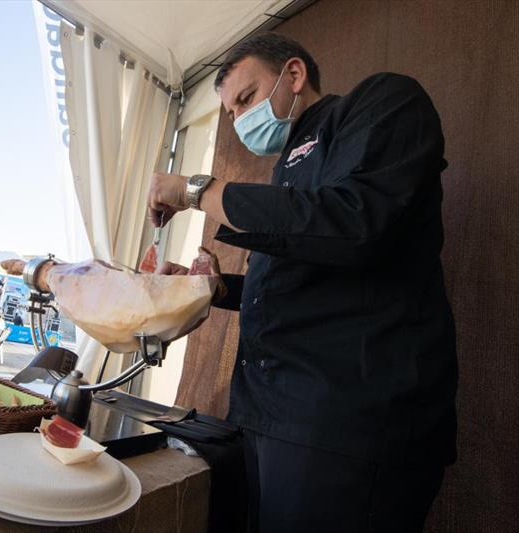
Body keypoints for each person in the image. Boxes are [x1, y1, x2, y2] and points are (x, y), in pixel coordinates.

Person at [146, 32, 457, 532]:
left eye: (246, 99)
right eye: (230, 113)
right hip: (270, 414)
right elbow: (291, 290)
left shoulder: (382, 102)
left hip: (348, 420)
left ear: (293, 75)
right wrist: (207, 287)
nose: (240, 120)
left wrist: (195, 190)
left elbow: (353, 226)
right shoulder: (284, 178)